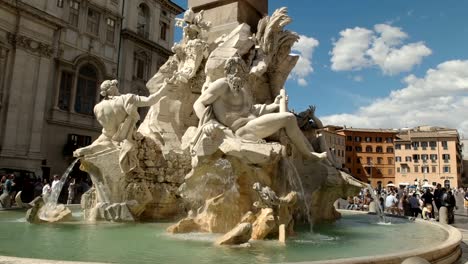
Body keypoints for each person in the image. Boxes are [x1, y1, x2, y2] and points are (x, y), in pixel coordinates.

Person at [193, 55, 328, 161]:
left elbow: (253, 110)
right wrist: (208, 123)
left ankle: (306, 154)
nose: (236, 74)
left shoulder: (243, 91)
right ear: (227, 72)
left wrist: (273, 105)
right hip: (241, 131)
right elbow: (198, 103)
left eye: (240, 71)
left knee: (288, 120)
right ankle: (308, 155)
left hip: (252, 125)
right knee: (289, 117)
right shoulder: (222, 85)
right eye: (233, 70)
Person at [74, 79, 175, 172]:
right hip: (125, 137)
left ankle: (90, 148)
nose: (117, 87)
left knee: (100, 143)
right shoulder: (127, 99)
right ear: (112, 88)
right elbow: (150, 100)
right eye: (115, 85)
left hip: (108, 137)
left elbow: (105, 126)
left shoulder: (97, 107)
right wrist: (164, 88)